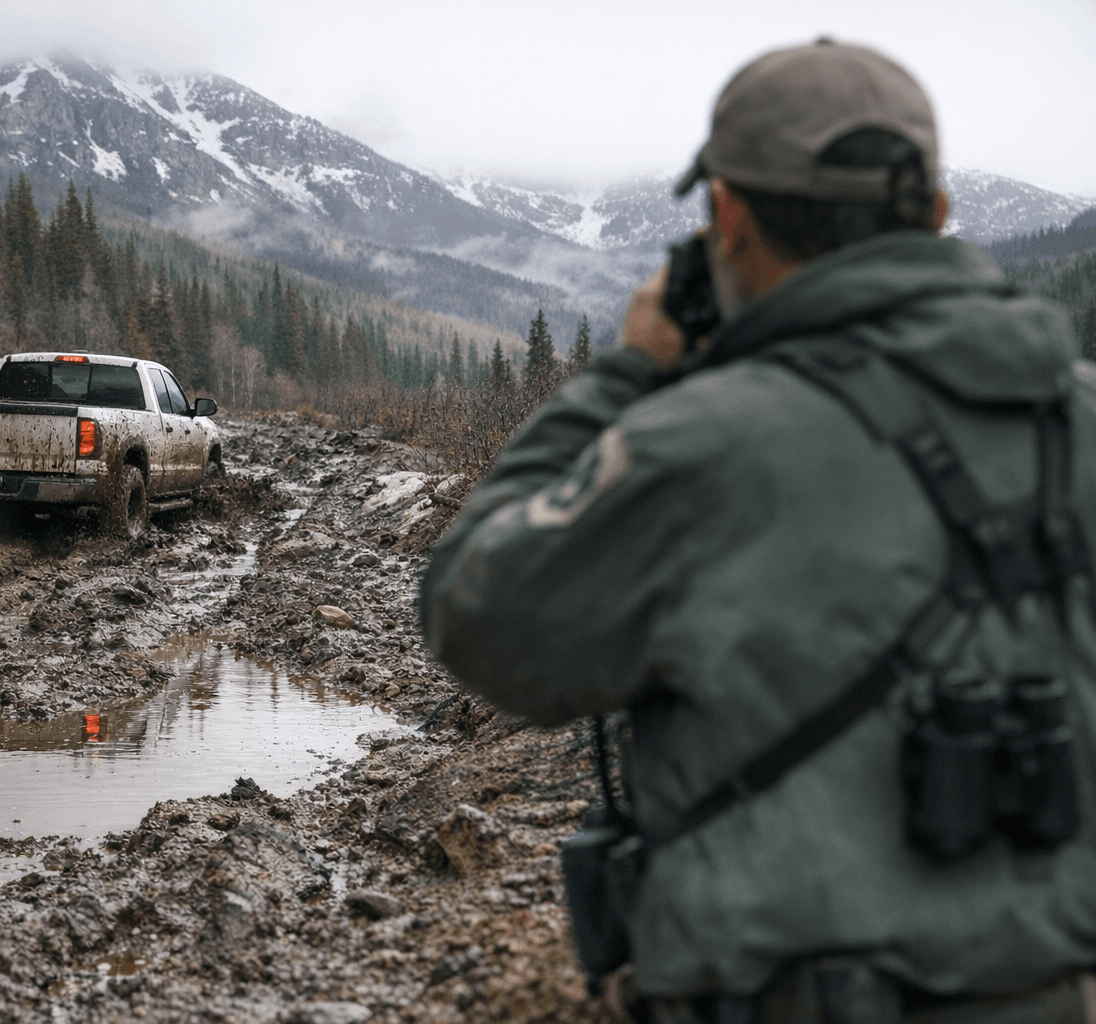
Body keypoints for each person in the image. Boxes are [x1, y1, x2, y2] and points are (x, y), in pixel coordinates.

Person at [420, 38, 1096, 1024]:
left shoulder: (706, 445)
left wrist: (630, 372)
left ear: (728, 217)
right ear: (938, 216)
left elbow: (476, 612)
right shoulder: (1075, 418)